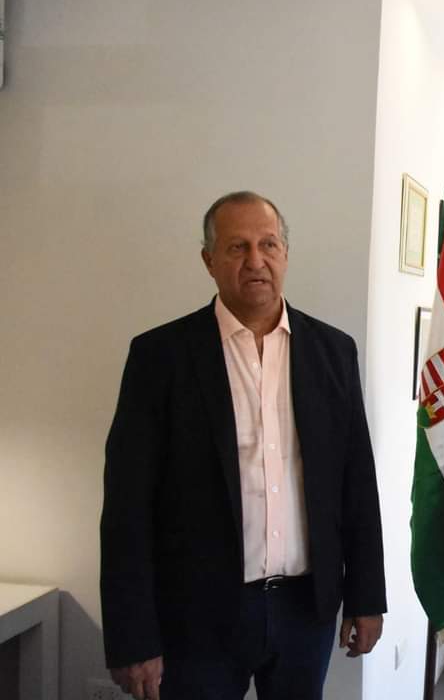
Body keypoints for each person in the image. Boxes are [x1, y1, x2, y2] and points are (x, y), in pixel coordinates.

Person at [101, 191, 386, 700]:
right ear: (208, 260)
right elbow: (127, 507)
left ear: (285, 253)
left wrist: (367, 598)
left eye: (268, 244)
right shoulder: (160, 357)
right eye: (237, 247)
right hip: (196, 616)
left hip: (305, 612)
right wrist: (133, 636)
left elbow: (356, 484)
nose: (256, 260)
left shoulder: (332, 352)